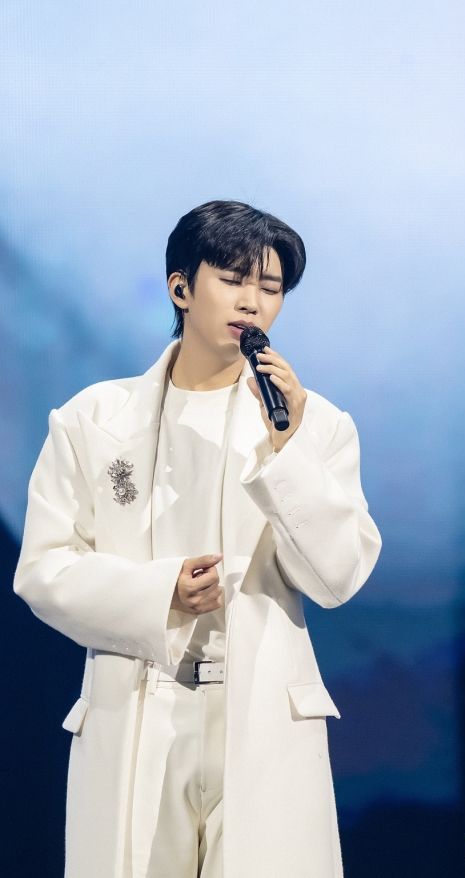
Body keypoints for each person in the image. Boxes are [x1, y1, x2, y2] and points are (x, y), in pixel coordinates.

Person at [13, 199, 382, 878]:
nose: (252, 302)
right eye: (233, 279)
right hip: (136, 704)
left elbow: (337, 578)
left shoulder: (317, 425)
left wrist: (289, 448)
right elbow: (43, 570)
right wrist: (161, 593)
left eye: (270, 288)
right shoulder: (92, 419)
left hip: (262, 713)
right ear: (181, 288)